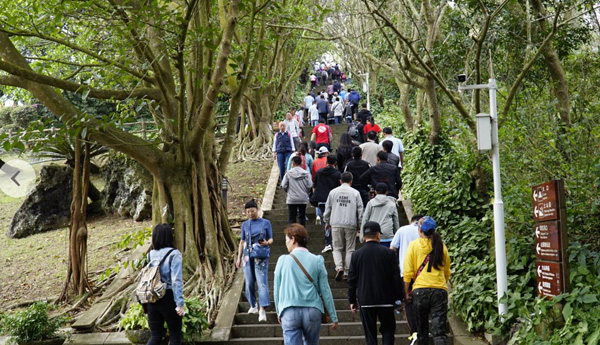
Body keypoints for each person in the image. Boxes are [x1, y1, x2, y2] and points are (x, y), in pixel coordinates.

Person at [274, 224, 339, 345]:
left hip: (289, 310)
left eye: (286, 240)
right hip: (313, 311)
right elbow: (325, 290)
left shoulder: (282, 260)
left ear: (293, 239)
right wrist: (333, 316)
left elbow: (276, 289)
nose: (286, 243)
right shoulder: (317, 260)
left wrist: (279, 311)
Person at [347, 221, 402, 345]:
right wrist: (399, 298)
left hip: (365, 300)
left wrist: (352, 300)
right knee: (388, 331)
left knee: (370, 335)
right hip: (386, 300)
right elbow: (396, 278)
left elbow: (351, 280)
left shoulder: (356, 255)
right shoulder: (389, 253)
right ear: (378, 235)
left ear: (363, 236)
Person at [403, 217, 451, 345]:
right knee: (439, 333)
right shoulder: (442, 247)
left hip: (420, 291)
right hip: (439, 290)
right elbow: (447, 272)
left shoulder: (413, 245)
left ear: (420, 230)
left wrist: (406, 291)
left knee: (421, 332)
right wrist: (440, 284)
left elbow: (408, 272)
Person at [236, 200, 274, 322]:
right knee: (249, 281)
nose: (250, 213)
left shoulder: (266, 222)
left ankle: (263, 308)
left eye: (252, 211)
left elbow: (271, 238)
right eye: (248, 212)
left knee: (261, 282)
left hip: (261, 255)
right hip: (247, 256)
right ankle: (253, 305)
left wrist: (267, 243)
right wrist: (238, 258)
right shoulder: (245, 225)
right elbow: (242, 242)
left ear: (257, 210)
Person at [146, 224, 184, 345]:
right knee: (175, 337)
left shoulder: (150, 254)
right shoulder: (174, 254)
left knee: (155, 336)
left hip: (152, 298)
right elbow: (176, 280)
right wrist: (179, 304)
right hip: (168, 297)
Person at [323, 172, 363, 280]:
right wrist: (360, 224)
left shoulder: (333, 192)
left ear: (340, 181)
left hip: (335, 222)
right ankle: (346, 271)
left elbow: (328, 208)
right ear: (351, 181)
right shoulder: (355, 193)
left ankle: (339, 266)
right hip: (351, 223)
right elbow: (360, 209)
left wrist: (326, 221)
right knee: (350, 249)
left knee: (337, 248)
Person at [391, 214, 423, 334]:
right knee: (423, 302)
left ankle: (414, 331)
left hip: (405, 273)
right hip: (423, 274)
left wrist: (396, 264)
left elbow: (392, 248)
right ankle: (423, 330)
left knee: (408, 302)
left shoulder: (402, 230)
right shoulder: (425, 232)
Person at [310, 155, 341, 253]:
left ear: (326, 162)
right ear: (335, 163)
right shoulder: (337, 174)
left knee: (325, 221)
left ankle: (328, 243)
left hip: (322, 200)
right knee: (335, 221)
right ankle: (335, 242)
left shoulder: (319, 173)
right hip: (334, 201)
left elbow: (314, 187)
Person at [360, 183, 399, 247]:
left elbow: (365, 219)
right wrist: (397, 236)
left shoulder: (370, 203)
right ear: (386, 192)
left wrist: (362, 235)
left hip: (372, 234)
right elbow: (396, 221)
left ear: (375, 192)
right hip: (388, 235)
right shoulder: (392, 204)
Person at [281, 156, 313, 226]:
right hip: (303, 198)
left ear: (293, 163)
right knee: (302, 217)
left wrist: (288, 191)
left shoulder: (288, 174)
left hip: (292, 199)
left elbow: (283, 185)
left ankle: (292, 235)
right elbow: (310, 185)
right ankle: (302, 234)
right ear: (300, 163)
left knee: (292, 217)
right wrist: (306, 192)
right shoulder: (306, 174)